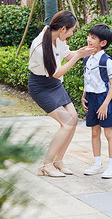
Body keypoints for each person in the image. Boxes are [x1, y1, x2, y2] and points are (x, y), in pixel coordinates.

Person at [29, 10, 95, 177]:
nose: (72, 34)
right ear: (63, 28)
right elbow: (56, 73)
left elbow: (66, 55)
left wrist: (84, 52)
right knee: (66, 123)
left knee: (73, 119)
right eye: (72, 30)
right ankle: (46, 164)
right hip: (41, 86)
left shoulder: (57, 37)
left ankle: (59, 160)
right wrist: (78, 56)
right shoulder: (40, 46)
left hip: (55, 85)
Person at [81, 24, 112, 179]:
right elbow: (88, 79)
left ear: (103, 43)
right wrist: (84, 95)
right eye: (89, 36)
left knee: (108, 132)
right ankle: (97, 163)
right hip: (91, 97)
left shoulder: (106, 61)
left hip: (103, 98)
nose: (89, 39)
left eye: (93, 38)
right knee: (94, 132)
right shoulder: (87, 58)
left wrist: (105, 104)